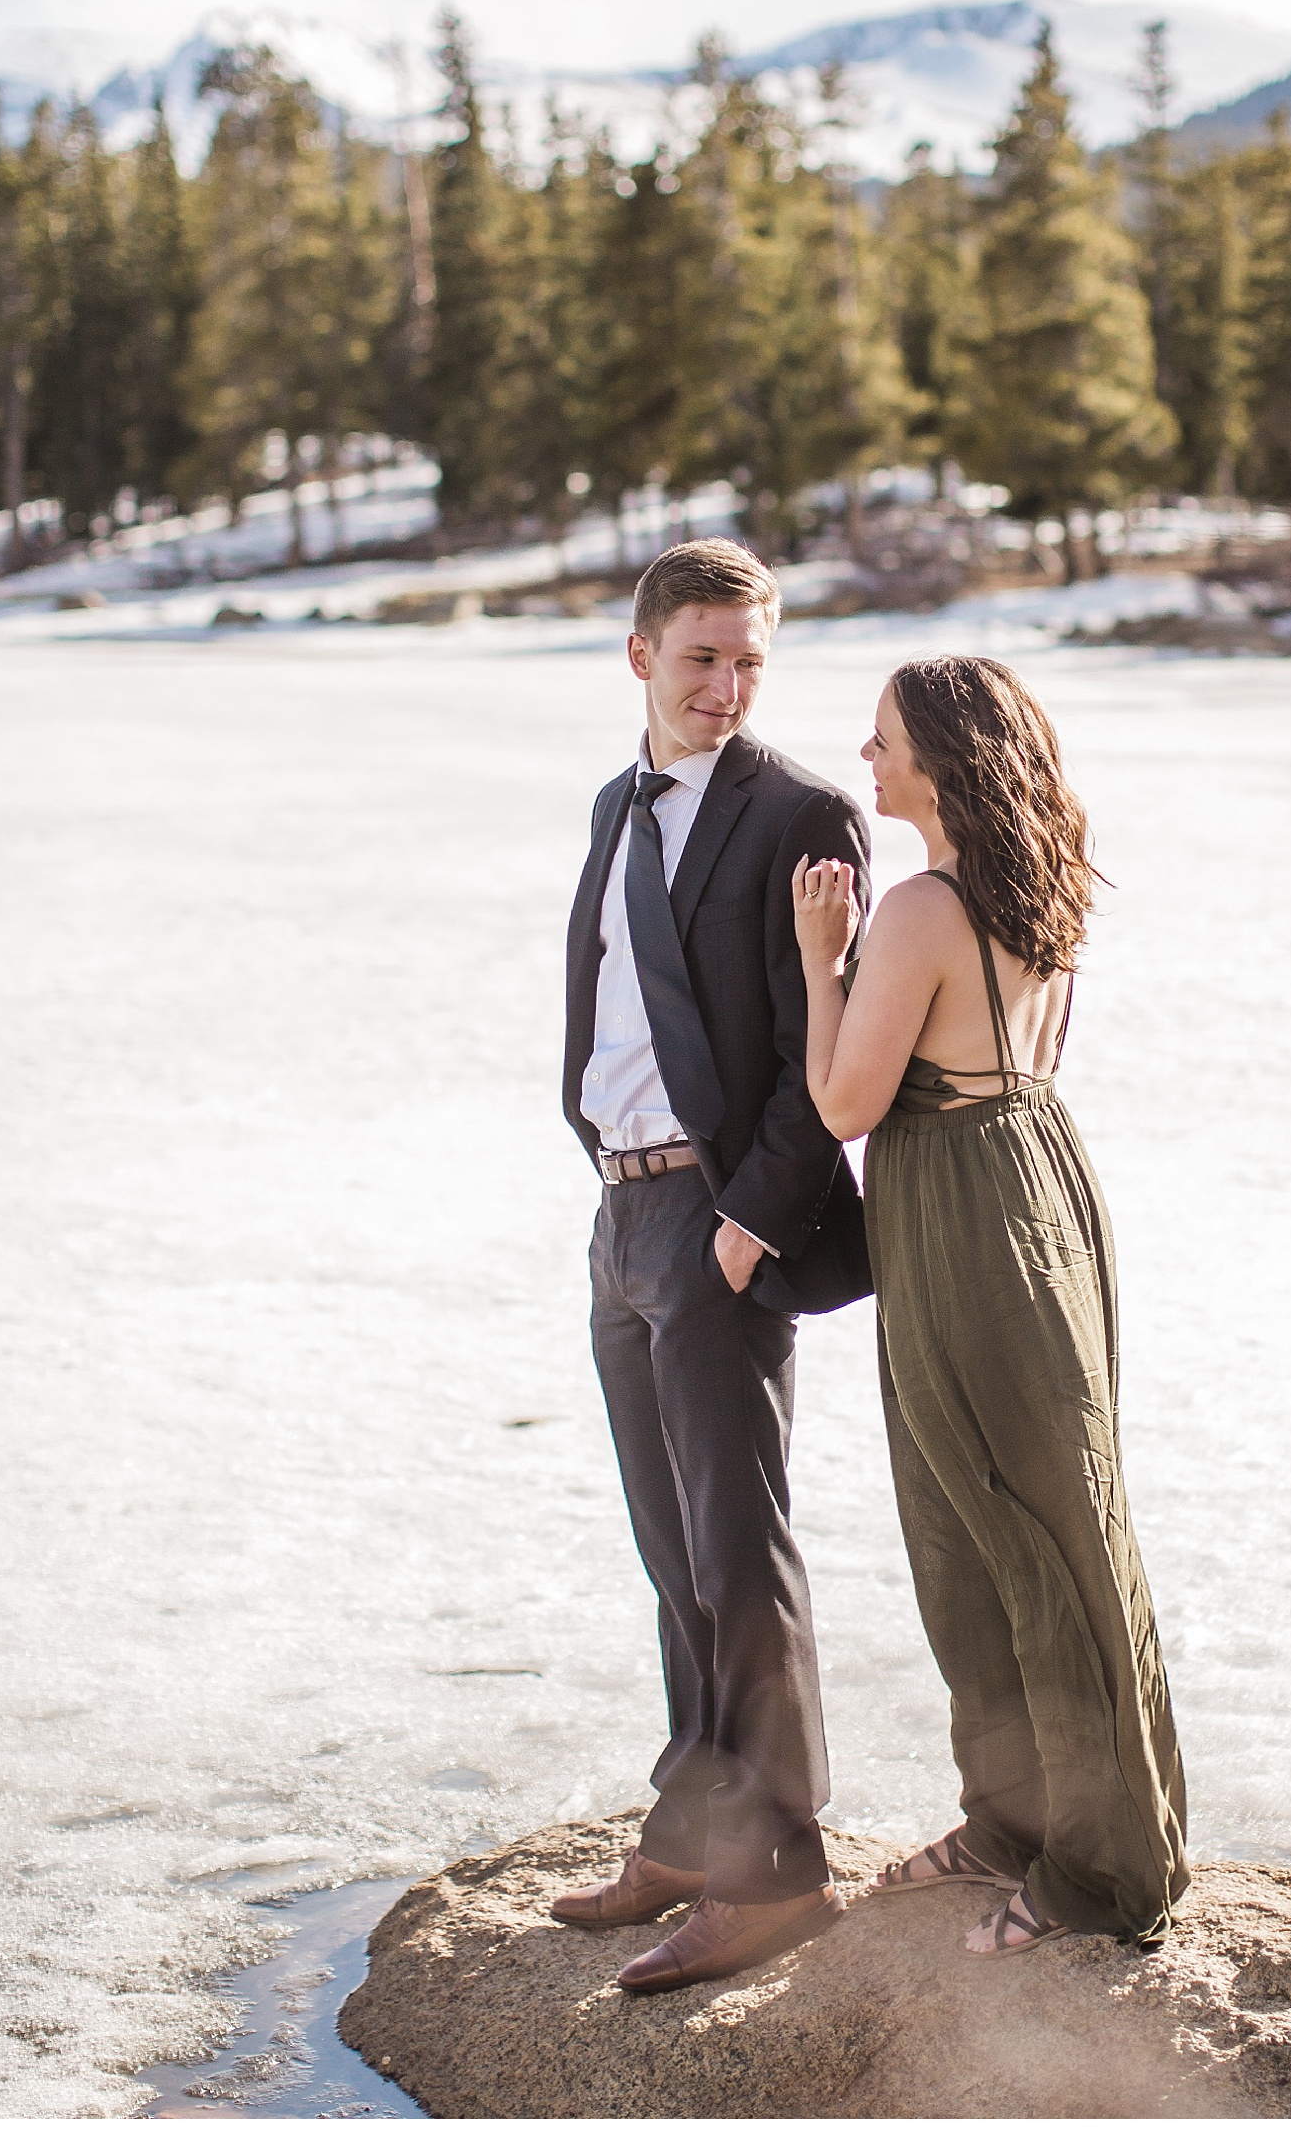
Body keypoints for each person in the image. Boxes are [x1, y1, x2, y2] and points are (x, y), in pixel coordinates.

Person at [790, 653, 1188, 1958]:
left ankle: (1097, 1867)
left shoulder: (914, 912)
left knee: (1026, 1530)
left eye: (888, 737)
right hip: (1035, 1177)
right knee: (994, 1518)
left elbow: (848, 1103)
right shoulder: (1040, 881)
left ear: (948, 759)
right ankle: (1010, 1819)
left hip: (961, 1207)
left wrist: (819, 961)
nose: (868, 753)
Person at [553, 539, 872, 1996]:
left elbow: (832, 1045)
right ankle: (692, 1829)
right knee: (669, 1549)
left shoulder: (804, 809)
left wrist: (752, 1210)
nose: (727, 687)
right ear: (641, 657)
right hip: (625, 1215)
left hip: (718, 1218)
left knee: (741, 1552)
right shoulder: (619, 807)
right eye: (701, 657)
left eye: (749, 659)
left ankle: (780, 1870)